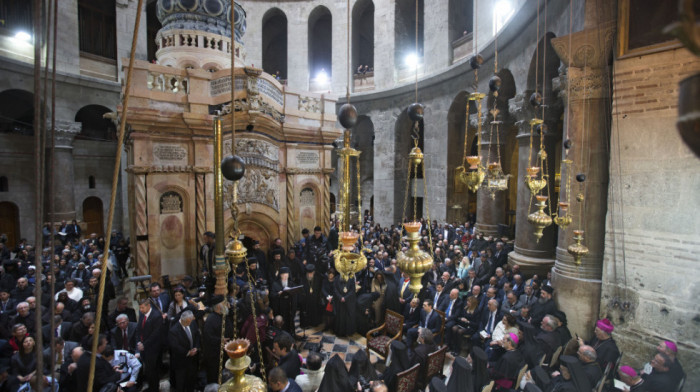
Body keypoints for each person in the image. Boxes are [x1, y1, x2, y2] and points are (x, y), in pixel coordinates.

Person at [135, 298, 163, 392]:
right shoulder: (142, 315)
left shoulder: (156, 316)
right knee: (148, 370)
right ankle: (151, 387)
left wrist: (144, 344)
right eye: (140, 308)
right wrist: (139, 341)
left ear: (148, 306)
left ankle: (155, 388)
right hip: (144, 348)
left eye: (142, 308)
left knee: (152, 370)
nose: (141, 310)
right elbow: (139, 329)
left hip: (153, 348)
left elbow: (156, 334)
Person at [169, 310, 200, 392]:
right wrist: (188, 352)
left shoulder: (192, 323)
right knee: (181, 383)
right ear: (183, 320)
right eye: (188, 322)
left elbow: (197, 335)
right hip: (181, 362)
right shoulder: (174, 330)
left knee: (191, 381)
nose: (189, 323)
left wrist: (196, 347)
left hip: (192, 361)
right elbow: (175, 347)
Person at [300, 264, 322, 328]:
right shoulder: (303, 279)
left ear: (314, 272)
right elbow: (301, 289)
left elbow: (318, 289)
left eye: (311, 273)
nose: (309, 275)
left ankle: (314, 322)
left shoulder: (317, 279)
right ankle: (306, 324)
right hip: (306, 299)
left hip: (314, 298)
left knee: (314, 310)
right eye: (308, 274)